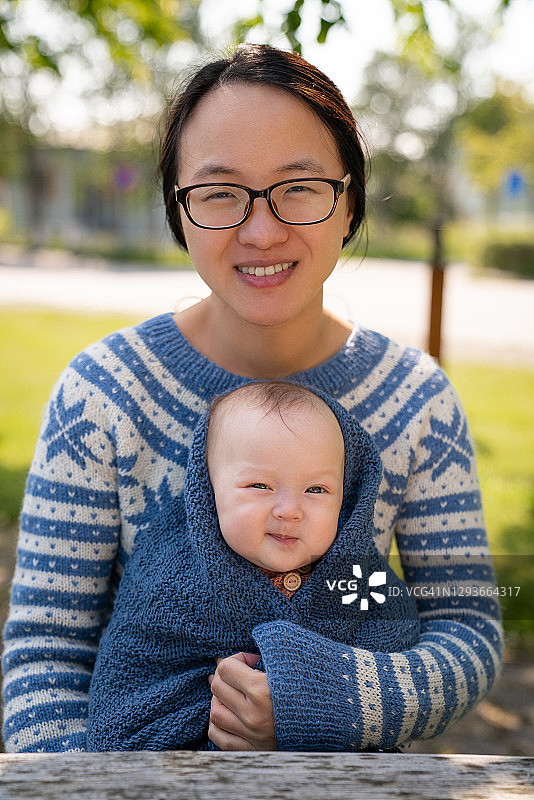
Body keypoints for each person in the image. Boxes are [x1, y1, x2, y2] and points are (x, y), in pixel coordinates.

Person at [2, 43, 502, 754]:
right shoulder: (102, 394)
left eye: (298, 187)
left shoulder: (417, 401)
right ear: (179, 211)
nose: (261, 230)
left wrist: (323, 699)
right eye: (219, 193)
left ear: (349, 198)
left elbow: (468, 629)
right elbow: (46, 652)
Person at [86, 380, 420, 751]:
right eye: (260, 485)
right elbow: (130, 683)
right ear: (208, 491)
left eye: (316, 490)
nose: (289, 511)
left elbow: (395, 646)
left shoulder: (359, 577)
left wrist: (318, 700)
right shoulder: (167, 576)